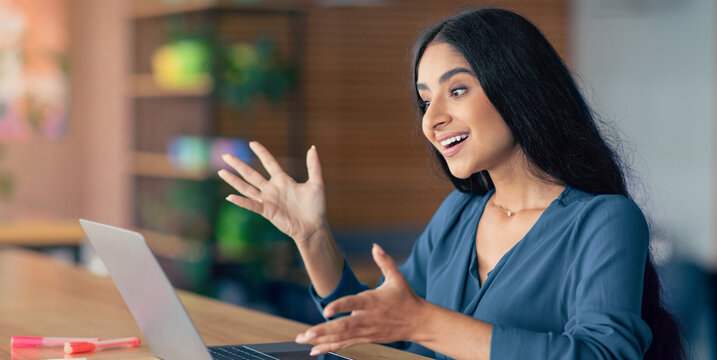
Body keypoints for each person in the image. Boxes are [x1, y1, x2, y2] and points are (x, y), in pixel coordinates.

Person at [218, 8, 684, 360]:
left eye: (456, 90)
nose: (433, 119)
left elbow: (602, 355)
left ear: (518, 87)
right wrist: (312, 236)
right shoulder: (459, 214)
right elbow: (377, 325)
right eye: (425, 101)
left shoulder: (604, 221)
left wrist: (425, 323)